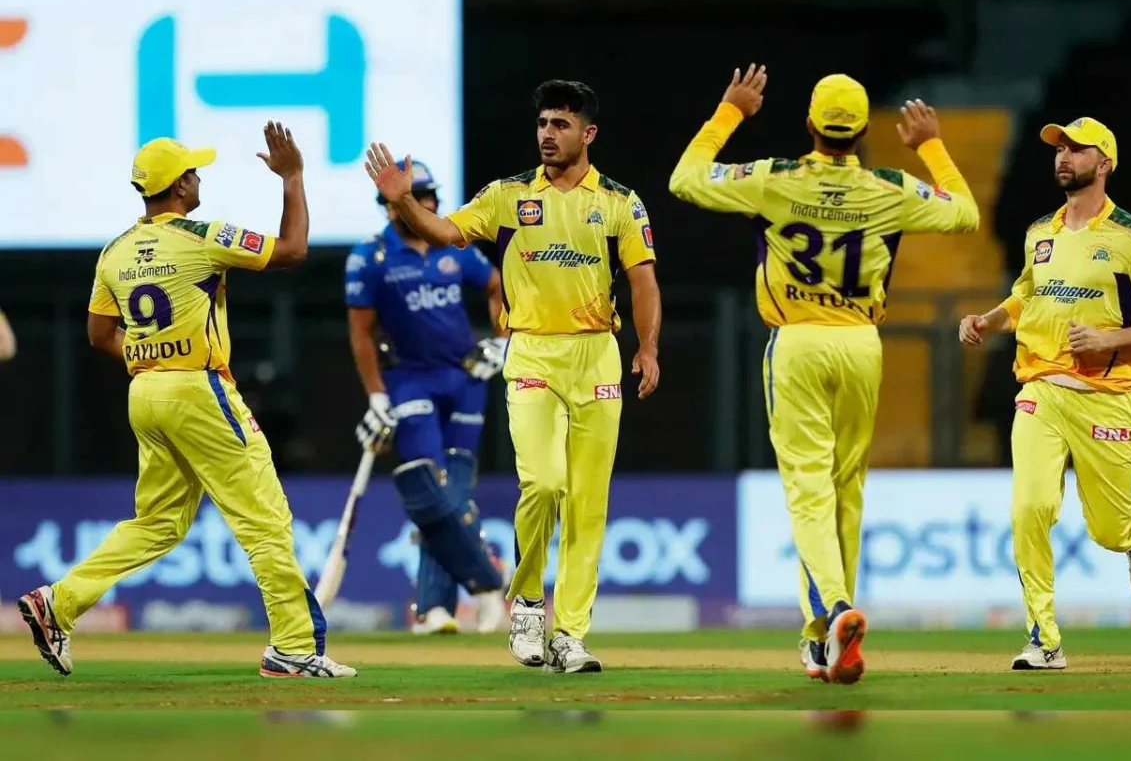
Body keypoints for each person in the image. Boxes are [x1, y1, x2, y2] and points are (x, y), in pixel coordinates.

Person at [669, 66, 979, 685]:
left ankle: (834, 610)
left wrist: (731, 112)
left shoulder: (773, 179)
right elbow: (966, 213)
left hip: (798, 342)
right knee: (846, 490)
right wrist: (930, 146)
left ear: (809, 122)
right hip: (862, 344)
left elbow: (685, 180)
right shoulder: (891, 188)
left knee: (809, 489)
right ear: (863, 131)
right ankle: (823, 637)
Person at [16, 124, 356, 679]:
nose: (198, 178)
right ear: (178, 186)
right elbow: (293, 250)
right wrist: (293, 177)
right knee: (265, 518)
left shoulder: (114, 251)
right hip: (198, 388)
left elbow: (100, 334)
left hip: (145, 390)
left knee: (158, 522)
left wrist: (149, 355)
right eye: (193, 172)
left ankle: (61, 601)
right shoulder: (203, 236)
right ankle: (294, 647)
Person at [364, 79, 662, 674]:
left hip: (596, 353)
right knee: (544, 484)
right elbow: (447, 232)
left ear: (588, 133)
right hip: (531, 352)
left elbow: (643, 281)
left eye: (561, 124)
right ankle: (526, 604)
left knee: (587, 503)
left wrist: (648, 347)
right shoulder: (508, 195)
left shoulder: (620, 203)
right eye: (543, 123)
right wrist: (404, 203)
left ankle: (570, 634)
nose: (548, 134)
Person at [959, 116, 1131, 671]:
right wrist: (988, 320)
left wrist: (1110, 338)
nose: (1063, 156)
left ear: (1104, 164)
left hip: (1107, 396)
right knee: (1029, 507)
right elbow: (1025, 296)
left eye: (1077, 149)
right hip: (1040, 389)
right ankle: (1044, 640)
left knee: (1108, 528)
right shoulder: (1041, 231)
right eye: (1059, 148)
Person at [345, 159, 510, 635]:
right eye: (419, 196)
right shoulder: (370, 257)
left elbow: (498, 285)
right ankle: (485, 582)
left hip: (465, 377)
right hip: (408, 381)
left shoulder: (453, 246)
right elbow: (361, 333)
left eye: (431, 195)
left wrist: (503, 342)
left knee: (455, 491)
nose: (430, 204)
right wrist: (377, 397)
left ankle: (433, 609)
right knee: (432, 490)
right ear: (390, 205)